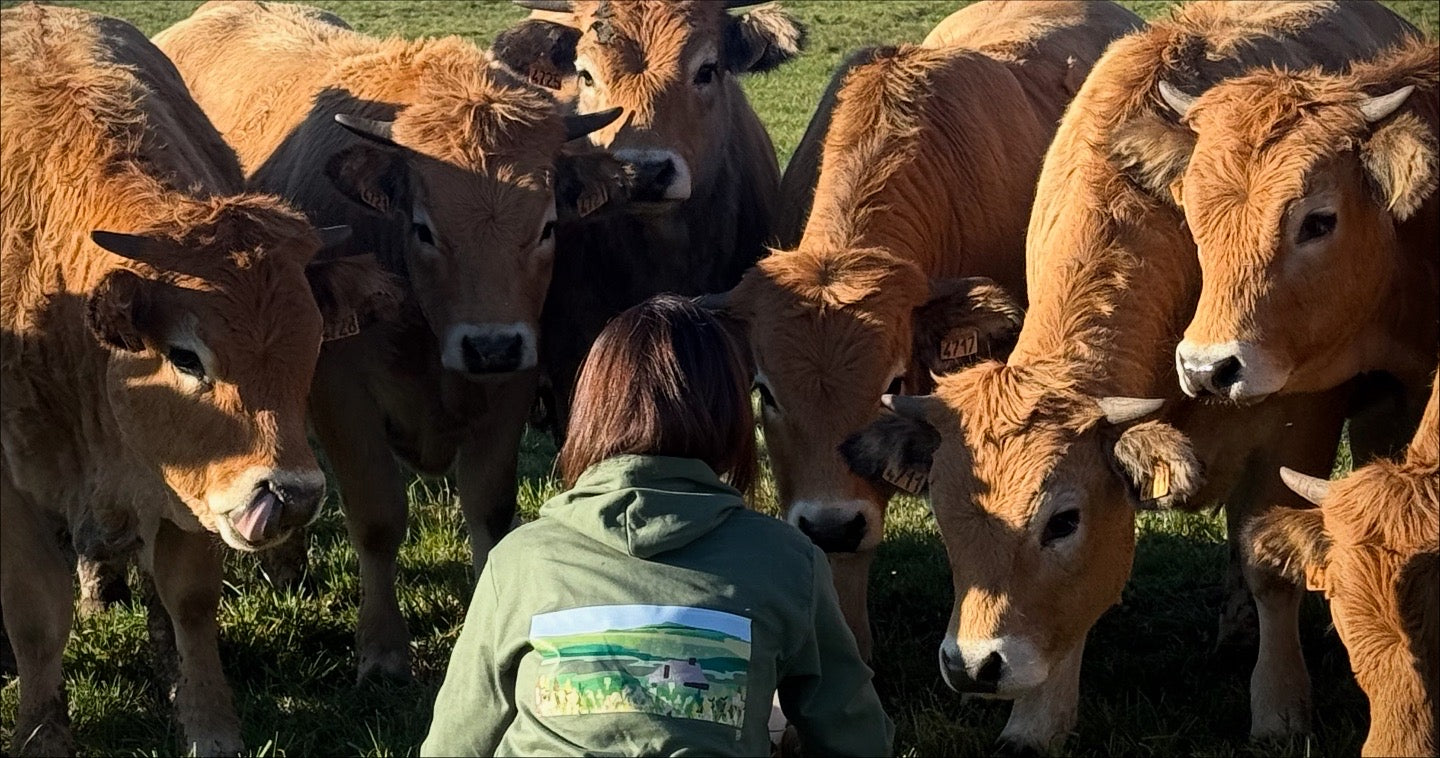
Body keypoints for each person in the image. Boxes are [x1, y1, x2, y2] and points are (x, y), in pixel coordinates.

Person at [422, 295, 893, 756]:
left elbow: (456, 741)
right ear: (730, 417)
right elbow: (858, 738)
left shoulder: (519, 562)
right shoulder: (790, 563)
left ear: (590, 414)